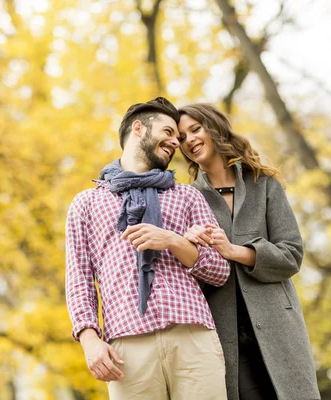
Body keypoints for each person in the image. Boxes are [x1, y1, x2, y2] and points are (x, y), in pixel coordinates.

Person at [65, 97, 230, 400]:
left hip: (192, 336)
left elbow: (220, 271)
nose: (175, 143)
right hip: (127, 348)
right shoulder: (86, 204)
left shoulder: (187, 197)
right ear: (138, 128)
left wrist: (173, 240)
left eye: (177, 138)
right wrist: (90, 340)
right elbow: (79, 281)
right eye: (168, 132)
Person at [177, 103, 320, 400]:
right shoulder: (187, 198)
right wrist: (189, 247)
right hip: (224, 334)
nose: (188, 140)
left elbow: (291, 255)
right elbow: (191, 277)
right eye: (181, 137)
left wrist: (234, 251)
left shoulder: (264, 185)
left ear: (214, 128)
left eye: (195, 129)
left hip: (279, 327)